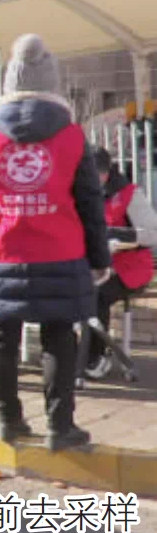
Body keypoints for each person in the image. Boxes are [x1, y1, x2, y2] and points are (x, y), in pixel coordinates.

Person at [0, 34, 109, 452]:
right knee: (59, 338)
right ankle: (61, 427)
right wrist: (99, 258)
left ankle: (9, 421)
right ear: (51, 85)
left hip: (1, 251)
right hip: (61, 252)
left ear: (9, 83)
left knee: (1, 338)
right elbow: (90, 204)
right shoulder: (73, 138)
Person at [89, 148, 157, 378]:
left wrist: (116, 234)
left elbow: (152, 233)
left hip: (130, 268)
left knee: (96, 295)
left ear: (106, 172)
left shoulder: (129, 194)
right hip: (94, 266)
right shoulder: (79, 193)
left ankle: (96, 357)